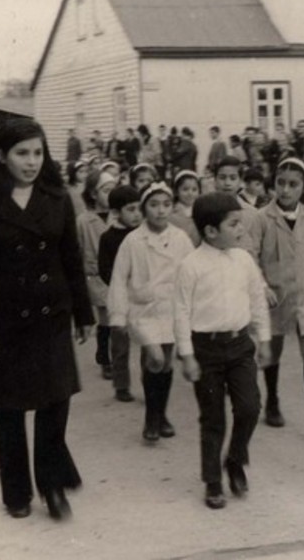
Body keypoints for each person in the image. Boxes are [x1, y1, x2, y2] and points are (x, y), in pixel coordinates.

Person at [0, 118, 95, 521]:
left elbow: (71, 258)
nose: (32, 162)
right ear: (2, 156)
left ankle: (52, 487)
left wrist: (83, 314)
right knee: (9, 410)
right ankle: (16, 491)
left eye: (37, 152)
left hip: (50, 316)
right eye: (22, 153)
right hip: (3, 323)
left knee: (55, 405)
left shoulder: (57, 198)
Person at [173, 192, 272, 510]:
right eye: (234, 224)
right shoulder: (191, 265)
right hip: (206, 350)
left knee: (250, 407)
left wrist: (265, 338)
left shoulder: (244, 260)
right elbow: (181, 312)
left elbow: (257, 299)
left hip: (241, 345)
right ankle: (213, 481)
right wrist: (187, 354)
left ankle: (235, 459)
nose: (241, 230)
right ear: (211, 231)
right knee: (212, 417)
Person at [252, 158, 304, 436]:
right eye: (281, 183)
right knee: (273, 351)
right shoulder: (262, 218)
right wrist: (262, 286)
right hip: (275, 295)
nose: (285, 190)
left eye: (293, 184)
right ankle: (272, 401)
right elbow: (250, 257)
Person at [107, 182, 194, 442]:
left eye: (166, 204)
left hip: (170, 309)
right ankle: (150, 419)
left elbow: (193, 272)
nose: (160, 211)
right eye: (154, 205)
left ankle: (159, 414)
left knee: (165, 363)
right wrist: (118, 316)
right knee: (154, 358)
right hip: (143, 309)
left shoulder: (180, 238)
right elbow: (119, 279)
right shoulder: (133, 241)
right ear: (144, 208)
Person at [98, 185, 143, 402]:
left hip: (144, 296)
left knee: (148, 339)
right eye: (131, 209)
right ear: (116, 213)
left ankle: (151, 383)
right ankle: (121, 384)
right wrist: (121, 284)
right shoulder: (108, 238)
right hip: (120, 297)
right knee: (120, 343)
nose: (137, 214)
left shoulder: (144, 235)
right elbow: (104, 269)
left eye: (139, 209)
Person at [78, 169, 117, 380]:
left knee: (116, 317)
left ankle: (109, 353)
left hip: (117, 273)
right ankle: (104, 357)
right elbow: (78, 248)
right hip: (96, 275)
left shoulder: (119, 217)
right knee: (105, 316)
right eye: (105, 190)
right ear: (93, 194)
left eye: (113, 190)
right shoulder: (84, 221)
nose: (110, 194)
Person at [168, 169, 201, 247]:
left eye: (194, 189)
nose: (190, 193)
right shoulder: (172, 213)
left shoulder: (201, 211)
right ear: (176, 192)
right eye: (185, 189)